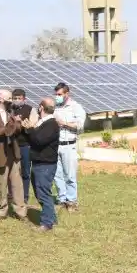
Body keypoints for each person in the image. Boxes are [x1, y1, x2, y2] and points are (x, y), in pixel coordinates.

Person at [0, 89, 27, 220]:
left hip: (13, 151)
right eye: (9, 98)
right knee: (1, 184)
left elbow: (16, 129)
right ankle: (2, 210)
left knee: (17, 183)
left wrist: (17, 124)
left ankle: (21, 211)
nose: (12, 101)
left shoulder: (10, 112)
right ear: (1, 99)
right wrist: (4, 130)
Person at [23, 97, 60, 231]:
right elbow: (34, 139)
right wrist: (30, 130)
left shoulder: (51, 124)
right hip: (39, 162)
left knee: (43, 193)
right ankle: (51, 218)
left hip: (45, 164)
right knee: (40, 193)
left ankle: (46, 223)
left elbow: (39, 141)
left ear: (41, 108)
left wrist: (30, 129)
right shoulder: (43, 123)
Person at [53, 82, 86, 211]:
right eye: (56, 94)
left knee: (70, 175)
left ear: (67, 93)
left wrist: (64, 123)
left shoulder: (75, 107)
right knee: (57, 174)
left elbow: (80, 125)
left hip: (69, 145)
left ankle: (71, 201)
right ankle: (62, 199)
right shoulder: (56, 107)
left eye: (59, 94)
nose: (57, 97)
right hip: (56, 145)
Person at [11, 88, 37, 204]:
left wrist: (20, 123)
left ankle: (25, 196)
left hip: (25, 145)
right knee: (13, 172)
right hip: (12, 145)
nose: (17, 100)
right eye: (15, 98)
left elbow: (32, 126)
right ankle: (13, 195)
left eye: (19, 98)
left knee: (25, 172)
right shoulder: (9, 109)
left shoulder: (30, 110)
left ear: (24, 99)